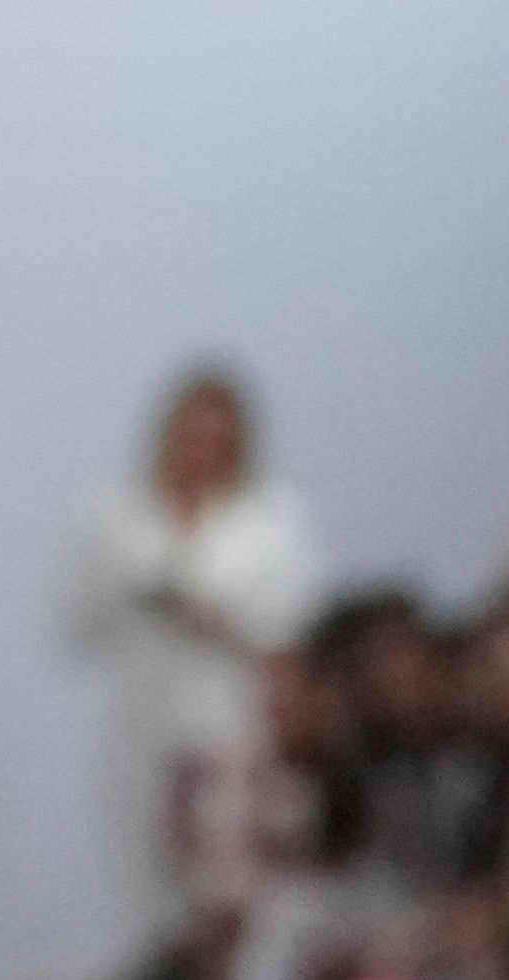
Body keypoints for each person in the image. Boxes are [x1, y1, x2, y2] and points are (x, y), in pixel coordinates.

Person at [64, 367, 324, 945]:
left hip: (237, 732)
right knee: (155, 895)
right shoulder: (119, 515)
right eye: (191, 434)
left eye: (217, 436)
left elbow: (296, 630)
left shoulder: (273, 519)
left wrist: (215, 616)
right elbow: (77, 619)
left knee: (234, 893)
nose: (202, 449)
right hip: (144, 733)